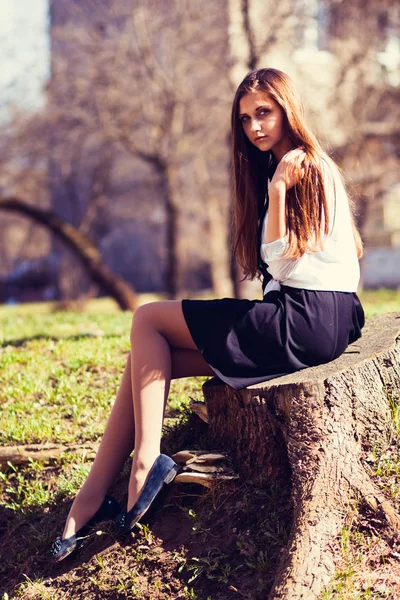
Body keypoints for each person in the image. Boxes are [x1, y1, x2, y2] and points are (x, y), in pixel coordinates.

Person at [51, 68, 365, 561]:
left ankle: (145, 464)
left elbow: (284, 261)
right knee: (149, 362)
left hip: (304, 318)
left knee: (148, 319)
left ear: (287, 109)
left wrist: (280, 192)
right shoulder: (290, 164)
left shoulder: (302, 166)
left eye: (265, 112)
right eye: (245, 119)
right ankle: (90, 498)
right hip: (324, 318)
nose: (255, 126)